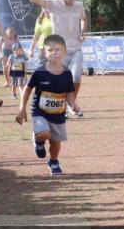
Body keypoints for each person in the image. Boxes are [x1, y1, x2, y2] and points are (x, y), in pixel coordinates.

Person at [14, 34, 79, 176]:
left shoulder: (67, 74)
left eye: (57, 50)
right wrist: (22, 109)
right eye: (50, 50)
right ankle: (38, 140)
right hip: (40, 112)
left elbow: (69, 93)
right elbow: (27, 89)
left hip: (58, 114)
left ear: (64, 52)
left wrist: (73, 105)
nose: (54, 53)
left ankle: (53, 161)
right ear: (44, 52)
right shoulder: (39, 71)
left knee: (56, 143)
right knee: (44, 133)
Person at [24, 0, 88, 116]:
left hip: (76, 48)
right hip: (60, 50)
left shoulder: (79, 5)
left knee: (76, 76)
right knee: (59, 80)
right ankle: (52, 104)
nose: (73, 0)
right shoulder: (53, 3)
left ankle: (71, 105)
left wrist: (82, 31)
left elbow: (84, 19)